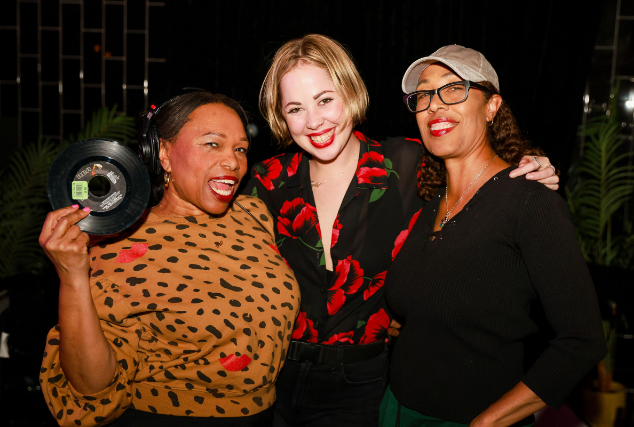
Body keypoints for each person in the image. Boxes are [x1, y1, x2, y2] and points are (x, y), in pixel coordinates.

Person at [246, 34, 559, 426]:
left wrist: (530, 164)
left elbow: (477, 158)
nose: (313, 121)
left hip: (361, 386)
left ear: (351, 93)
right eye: (295, 108)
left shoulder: (409, 164)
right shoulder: (266, 181)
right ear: (280, 117)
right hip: (269, 378)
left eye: (325, 100)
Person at [39, 90, 300, 427]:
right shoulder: (120, 245)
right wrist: (73, 276)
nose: (233, 162)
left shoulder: (254, 215)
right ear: (162, 153)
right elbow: (92, 385)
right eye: (212, 144)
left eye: (240, 149)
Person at [380, 45, 607, 426]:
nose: (434, 105)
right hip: (395, 409)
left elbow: (583, 341)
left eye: (454, 88)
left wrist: (488, 422)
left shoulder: (530, 201)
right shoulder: (428, 201)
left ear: (492, 106)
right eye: (423, 95)